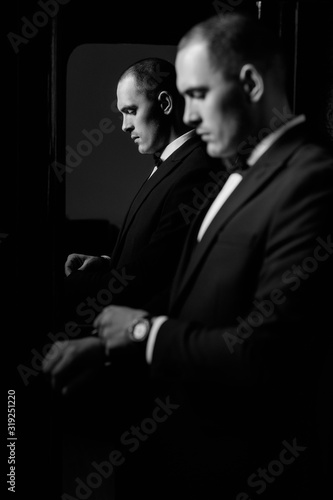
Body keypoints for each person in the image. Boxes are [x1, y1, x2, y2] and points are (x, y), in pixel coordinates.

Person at [44, 13, 333, 499]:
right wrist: (109, 346)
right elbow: (195, 300)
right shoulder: (238, 172)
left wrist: (142, 332)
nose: (190, 115)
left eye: (198, 94)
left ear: (250, 83)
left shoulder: (311, 179)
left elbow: (265, 356)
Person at [64, 57, 225, 322]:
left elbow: (153, 276)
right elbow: (151, 252)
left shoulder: (197, 170)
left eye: (130, 111)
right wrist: (106, 263)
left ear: (164, 103)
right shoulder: (174, 163)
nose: (124, 125)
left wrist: (74, 285)